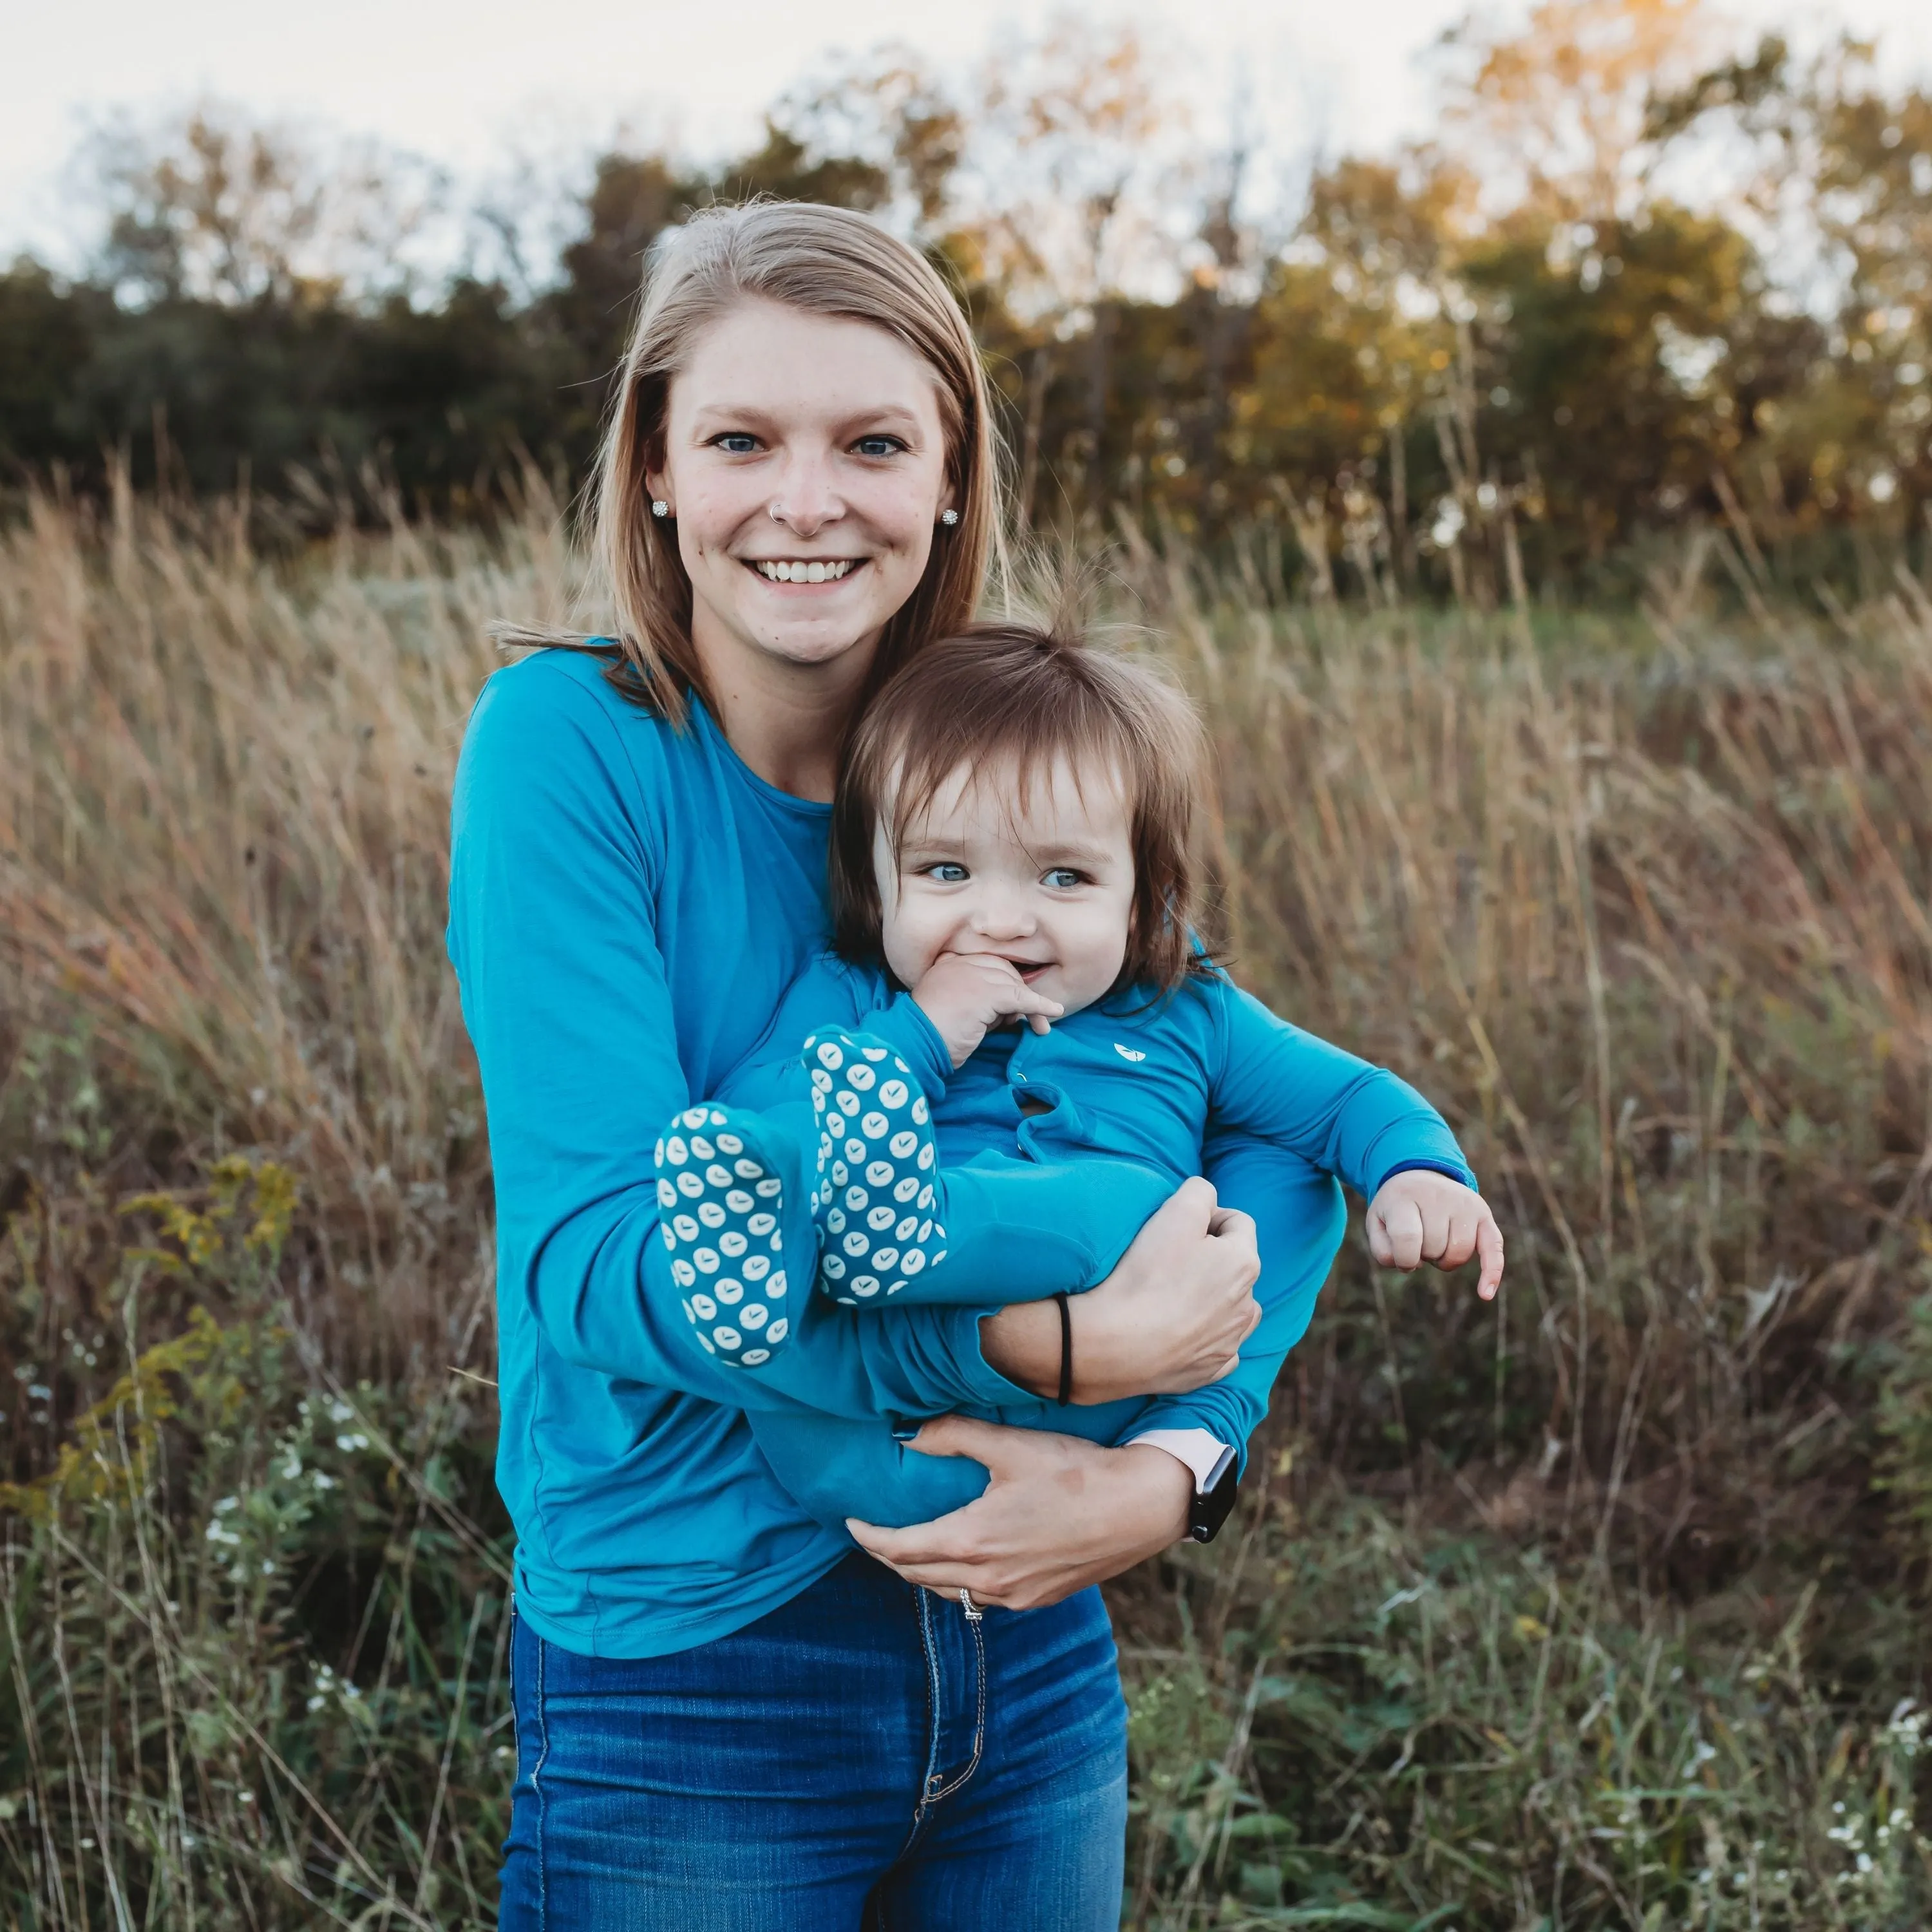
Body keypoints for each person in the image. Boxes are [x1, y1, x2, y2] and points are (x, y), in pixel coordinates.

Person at [448, 198, 1477, 1929]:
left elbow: (1250, 1120)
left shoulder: (1004, 744)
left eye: (870, 442)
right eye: (740, 440)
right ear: (651, 466)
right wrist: (1046, 1344)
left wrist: (1166, 1476)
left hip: (1031, 1626)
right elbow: (597, 1272)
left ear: (947, 476)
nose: (805, 500)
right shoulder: (572, 751)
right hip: (697, 1664)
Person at [667, 617, 1502, 1531]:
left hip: (1087, 1426)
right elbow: (760, 1118)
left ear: (1145, 896)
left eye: (1063, 879)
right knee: (803, 1136)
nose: (1001, 920)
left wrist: (1420, 1169)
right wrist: (917, 1038)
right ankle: (839, 1259)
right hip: (859, 1444)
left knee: (1203, 1193)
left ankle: (913, 1234)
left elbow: (1347, 1097)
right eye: (946, 870)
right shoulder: (854, 995)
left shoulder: (1180, 1006)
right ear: (876, 881)